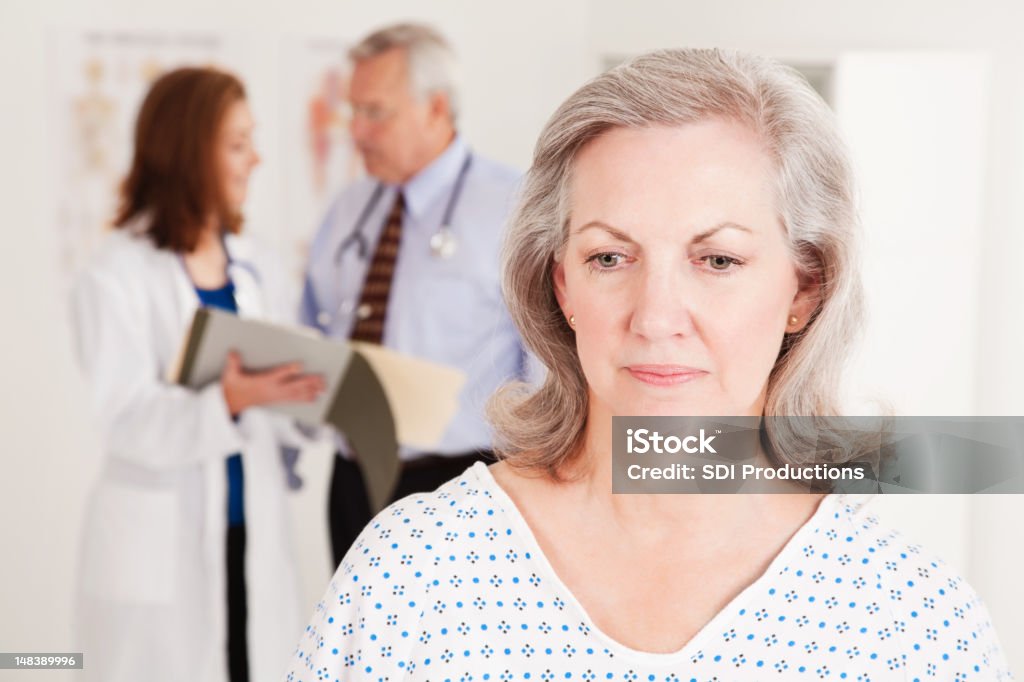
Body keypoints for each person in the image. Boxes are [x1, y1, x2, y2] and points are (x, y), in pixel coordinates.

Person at [284, 49, 1012, 680]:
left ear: (805, 287)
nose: (656, 316)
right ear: (561, 284)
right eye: (610, 257)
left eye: (717, 259)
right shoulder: (410, 577)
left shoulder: (910, 624)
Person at [70, 67, 323, 682]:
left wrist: (315, 394)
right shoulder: (115, 274)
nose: (256, 159)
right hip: (163, 542)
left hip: (253, 530)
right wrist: (227, 400)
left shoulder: (257, 265)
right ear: (188, 152)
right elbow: (125, 416)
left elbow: (283, 403)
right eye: (238, 144)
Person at [301, 22, 527, 566]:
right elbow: (313, 327)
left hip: (458, 481)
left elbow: (546, 363)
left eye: (375, 112)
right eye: (353, 112)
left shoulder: (512, 207)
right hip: (354, 479)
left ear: (436, 108)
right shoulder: (350, 208)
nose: (358, 132)